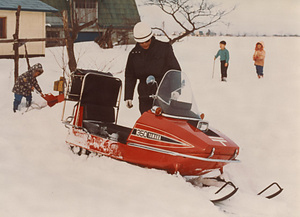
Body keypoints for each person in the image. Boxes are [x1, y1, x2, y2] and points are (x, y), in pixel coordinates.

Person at [124, 22, 181, 114]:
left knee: (164, 121)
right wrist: (128, 96)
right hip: (144, 94)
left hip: (163, 91)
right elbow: (130, 76)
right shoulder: (134, 54)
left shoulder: (164, 48)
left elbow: (175, 70)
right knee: (147, 120)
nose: (144, 44)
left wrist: (176, 90)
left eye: (147, 41)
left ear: (151, 37)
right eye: (141, 42)